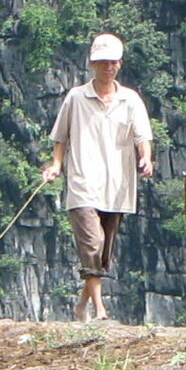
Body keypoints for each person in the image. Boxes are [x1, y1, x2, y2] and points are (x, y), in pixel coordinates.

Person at [39, 34, 154, 323]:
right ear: (92, 64)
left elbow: (143, 137)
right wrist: (55, 165)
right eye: (102, 62)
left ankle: (81, 305)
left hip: (117, 185)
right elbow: (60, 137)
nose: (108, 67)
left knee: (103, 252)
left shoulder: (130, 100)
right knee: (91, 244)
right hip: (82, 182)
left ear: (120, 64)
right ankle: (100, 310)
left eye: (113, 62)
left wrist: (146, 157)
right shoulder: (76, 97)